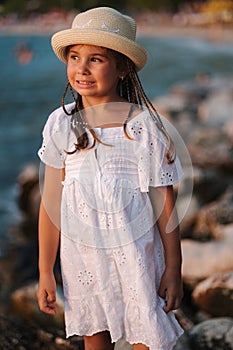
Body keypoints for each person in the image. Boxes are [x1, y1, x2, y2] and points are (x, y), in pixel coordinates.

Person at [37, 7, 184, 350]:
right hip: (83, 259)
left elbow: (165, 203)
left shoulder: (141, 127)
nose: (82, 69)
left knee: (148, 331)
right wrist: (45, 270)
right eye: (74, 57)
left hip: (137, 256)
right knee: (95, 332)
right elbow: (50, 205)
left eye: (96, 59)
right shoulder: (60, 124)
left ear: (122, 68)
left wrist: (173, 267)